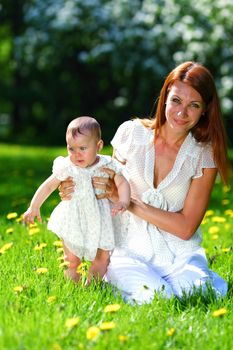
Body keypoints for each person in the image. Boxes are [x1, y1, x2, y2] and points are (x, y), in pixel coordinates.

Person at [58, 62, 230, 304]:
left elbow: (186, 227)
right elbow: (101, 190)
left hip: (179, 254)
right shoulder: (130, 134)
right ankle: (117, 281)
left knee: (198, 296)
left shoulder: (204, 154)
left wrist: (129, 203)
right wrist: (72, 190)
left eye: (194, 105)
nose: (182, 113)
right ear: (165, 99)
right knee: (159, 299)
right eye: (176, 101)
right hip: (128, 250)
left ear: (205, 110)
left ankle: (200, 279)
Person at [23, 116, 131, 283]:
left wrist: (123, 201)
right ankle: (73, 288)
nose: (76, 154)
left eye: (82, 148)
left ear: (99, 146)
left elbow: (122, 182)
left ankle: (91, 287)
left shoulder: (107, 164)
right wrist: (34, 206)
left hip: (100, 220)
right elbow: (49, 186)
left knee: (102, 258)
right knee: (72, 260)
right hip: (73, 219)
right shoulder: (67, 166)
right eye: (71, 149)